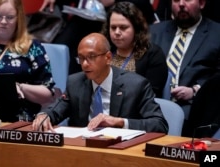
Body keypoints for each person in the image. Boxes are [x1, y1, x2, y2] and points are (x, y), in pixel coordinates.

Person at [32, 32, 168, 133]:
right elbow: (56, 109)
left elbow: (159, 124)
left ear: (108, 58)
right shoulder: (75, 82)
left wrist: (119, 122)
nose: (85, 64)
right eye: (81, 58)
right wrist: (44, 115)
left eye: (91, 57)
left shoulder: (136, 85)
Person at [0, 0, 55, 122]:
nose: (3, 22)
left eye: (10, 17)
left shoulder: (33, 48)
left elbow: (48, 94)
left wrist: (19, 87)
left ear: (18, 18)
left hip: (16, 121)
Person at [149, 0, 220, 135]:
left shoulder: (216, 34)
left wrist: (195, 91)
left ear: (202, 3)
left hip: (195, 110)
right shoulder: (154, 32)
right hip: (152, 106)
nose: (181, 4)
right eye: (176, 0)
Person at [101, 2, 168, 98]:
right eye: (113, 27)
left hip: (135, 109)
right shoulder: (105, 50)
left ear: (136, 28)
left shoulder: (153, 54)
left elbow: (151, 94)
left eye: (123, 28)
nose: (117, 32)